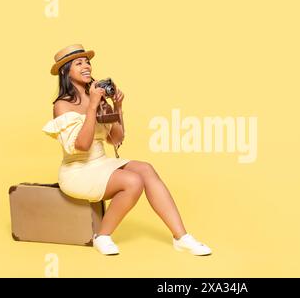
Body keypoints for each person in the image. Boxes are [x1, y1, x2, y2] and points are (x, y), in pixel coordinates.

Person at [42, 44, 212, 256]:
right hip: (78, 171)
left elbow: (116, 140)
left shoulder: (97, 96)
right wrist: (93, 106)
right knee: (132, 182)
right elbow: (82, 146)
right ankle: (103, 236)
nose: (86, 66)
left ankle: (181, 237)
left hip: (101, 162)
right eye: (79, 63)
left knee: (146, 169)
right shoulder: (62, 105)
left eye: (87, 62)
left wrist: (117, 107)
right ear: (66, 71)